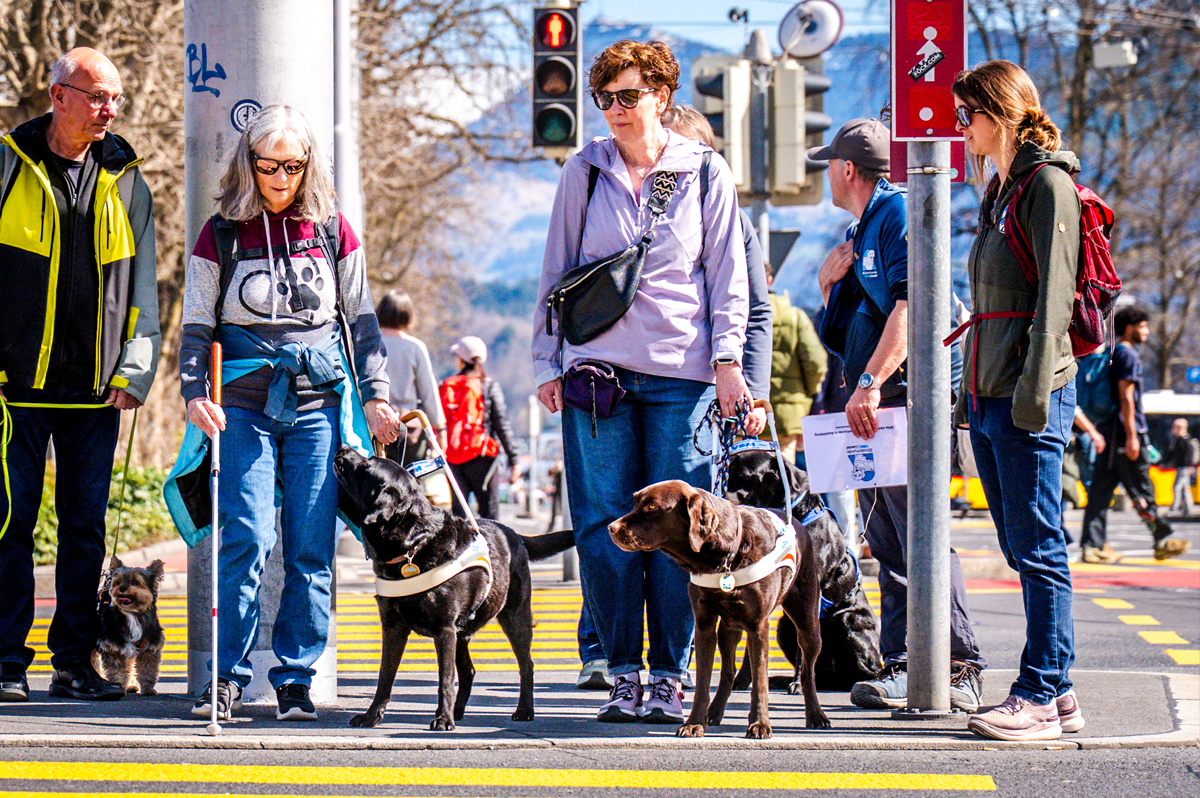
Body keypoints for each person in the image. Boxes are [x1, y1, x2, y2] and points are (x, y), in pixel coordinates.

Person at [533, 40, 751, 724]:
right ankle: (623, 672)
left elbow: (727, 274)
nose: (617, 111)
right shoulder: (584, 171)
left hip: (682, 379)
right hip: (595, 377)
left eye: (629, 96)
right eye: (605, 99)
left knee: (683, 534)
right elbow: (555, 272)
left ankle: (671, 676)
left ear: (662, 95)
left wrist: (729, 362)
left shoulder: (703, 170)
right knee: (605, 525)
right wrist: (546, 362)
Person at [179, 104, 400, 721]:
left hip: (317, 405)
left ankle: (296, 677)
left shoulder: (333, 230)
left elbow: (360, 319)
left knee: (310, 544)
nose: (281, 178)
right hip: (241, 407)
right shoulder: (220, 233)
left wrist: (377, 394)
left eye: (293, 166)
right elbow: (196, 323)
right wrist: (194, 392)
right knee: (245, 538)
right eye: (268, 165)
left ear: (309, 166)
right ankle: (225, 677)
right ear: (248, 163)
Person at [0, 48, 160, 704]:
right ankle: (6, 662)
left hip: (96, 390)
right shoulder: (8, 163)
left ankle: (72, 663)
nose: (109, 109)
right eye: (97, 96)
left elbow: (144, 285)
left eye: (115, 98)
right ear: (58, 95)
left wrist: (136, 368)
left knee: (85, 532)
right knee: (9, 524)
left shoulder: (127, 180)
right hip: (13, 387)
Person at [811, 117, 986, 714]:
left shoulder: (894, 215)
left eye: (829, 165)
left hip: (904, 397)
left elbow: (916, 306)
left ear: (847, 169)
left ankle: (959, 664)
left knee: (921, 534)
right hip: (880, 405)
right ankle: (905, 662)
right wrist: (827, 286)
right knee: (888, 537)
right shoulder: (863, 227)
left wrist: (870, 383)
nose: (826, 176)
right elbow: (855, 323)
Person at [951, 60, 1085, 741]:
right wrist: (968, 396)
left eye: (967, 115)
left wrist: (1033, 394)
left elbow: (1054, 303)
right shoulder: (999, 189)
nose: (960, 128)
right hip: (990, 391)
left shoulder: (1047, 185)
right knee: (1019, 544)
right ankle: (1058, 693)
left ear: (1000, 113)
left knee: (1038, 547)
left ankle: (1037, 693)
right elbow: (988, 305)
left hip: (1027, 393)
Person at [1078, 307, 1188, 562]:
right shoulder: (1127, 355)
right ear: (1129, 328)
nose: (1146, 331)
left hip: (1109, 432)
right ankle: (1162, 539)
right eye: (1143, 326)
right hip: (1123, 433)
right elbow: (1127, 397)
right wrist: (1132, 436)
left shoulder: (1114, 352)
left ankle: (1092, 546)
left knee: (1101, 492)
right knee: (1141, 486)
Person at [439, 336, 518, 522]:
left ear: (461, 359)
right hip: (483, 456)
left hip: (453, 456)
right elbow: (502, 424)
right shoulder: (488, 386)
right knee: (490, 515)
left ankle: (460, 542)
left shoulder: (448, 385)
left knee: (458, 517)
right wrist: (513, 459)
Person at [765, 262, 828, 463]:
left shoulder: (736, 316)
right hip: (787, 418)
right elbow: (816, 363)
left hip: (745, 417)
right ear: (769, 280)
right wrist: (808, 397)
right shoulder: (794, 316)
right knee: (783, 472)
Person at [375, 289, 445, 465]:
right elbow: (428, 392)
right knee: (410, 478)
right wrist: (439, 427)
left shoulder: (369, 344)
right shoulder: (415, 347)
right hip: (409, 427)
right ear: (408, 315)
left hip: (376, 424)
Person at [1165, 417, 1198, 517]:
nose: (1173, 429)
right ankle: (1188, 508)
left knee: (1177, 487)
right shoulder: (1179, 440)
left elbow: (1189, 455)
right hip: (1182, 467)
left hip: (1184, 468)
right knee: (1184, 488)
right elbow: (1172, 453)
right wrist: (1165, 462)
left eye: (1175, 427)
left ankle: (1175, 507)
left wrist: (1190, 466)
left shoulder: (1185, 440)